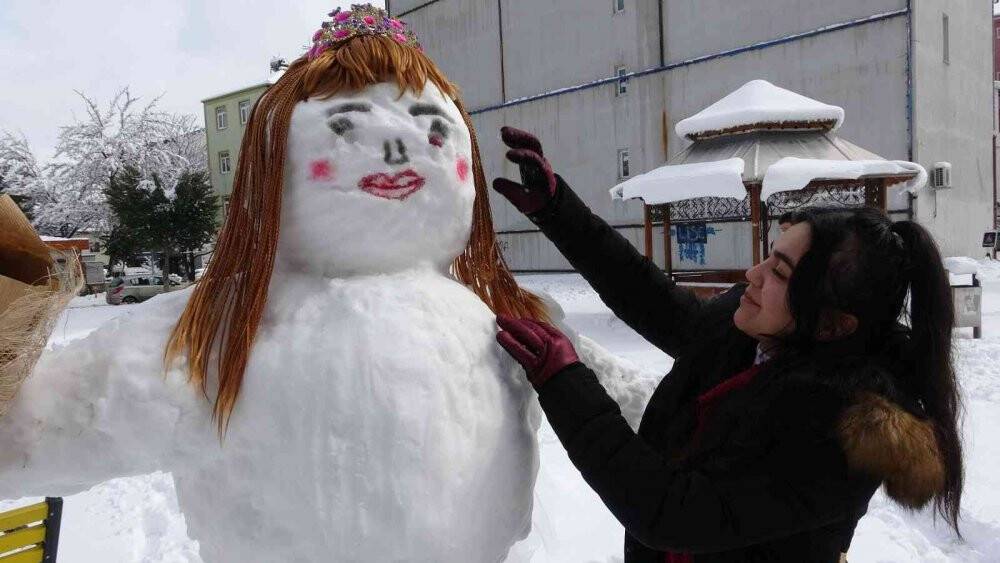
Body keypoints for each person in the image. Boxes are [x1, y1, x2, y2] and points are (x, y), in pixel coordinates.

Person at [492, 126, 963, 562]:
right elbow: (650, 298)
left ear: (832, 326)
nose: (753, 275)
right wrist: (557, 210)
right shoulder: (753, 331)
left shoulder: (840, 437)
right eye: (769, 258)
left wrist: (566, 383)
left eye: (779, 272)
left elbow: (673, 512)